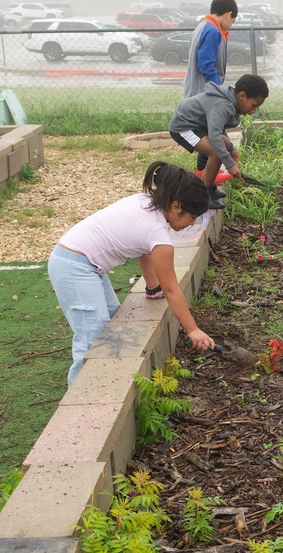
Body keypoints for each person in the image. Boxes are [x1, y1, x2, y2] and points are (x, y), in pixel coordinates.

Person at [48, 161, 216, 386]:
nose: (192, 223)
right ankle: (82, 393)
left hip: (82, 262)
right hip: (75, 267)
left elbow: (143, 251)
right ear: (176, 206)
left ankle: (103, 382)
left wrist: (152, 287)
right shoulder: (158, 234)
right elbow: (172, 288)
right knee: (92, 337)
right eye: (192, 217)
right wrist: (192, 330)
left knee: (111, 319)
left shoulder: (146, 203)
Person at [169, 74, 269, 209]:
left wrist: (231, 149)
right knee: (216, 152)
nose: (253, 111)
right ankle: (203, 196)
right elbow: (215, 136)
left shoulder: (229, 101)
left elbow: (218, 129)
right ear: (242, 96)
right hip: (183, 127)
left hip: (197, 126)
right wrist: (230, 165)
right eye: (253, 105)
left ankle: (207, 186)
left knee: (225, 144)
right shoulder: (223, 105)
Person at [184, 0, 239, 182]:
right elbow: (206, 64)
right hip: (205, 92)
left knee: (210, 132)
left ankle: (205, 173)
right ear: (228, 14)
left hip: (198, 90)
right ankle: (202, 172)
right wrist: (218, 91)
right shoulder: (213, 31)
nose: (231, 24)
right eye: (232, 20)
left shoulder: (203, 26)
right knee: (211, 133)